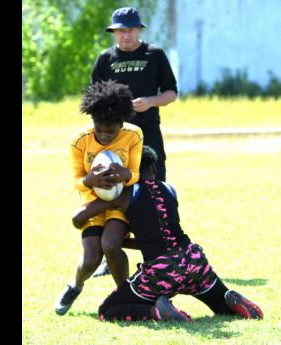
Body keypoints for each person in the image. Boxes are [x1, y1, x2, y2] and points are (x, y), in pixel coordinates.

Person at [72, 146, 264, 322]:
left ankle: (157, 312)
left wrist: (100, 196)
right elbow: (160, 236)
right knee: (220, 306)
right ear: (153, 169)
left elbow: (78, 218)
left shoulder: (126, 193)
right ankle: (227, 299)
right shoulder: (169, 189)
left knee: (108, 310)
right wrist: (126, 243)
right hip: (193, 260)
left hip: (162, 270)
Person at [90, 5, 178, 278]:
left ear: (138, 29)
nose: (124, 36)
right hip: (114, 139)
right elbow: (93, 98)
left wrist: (150, 102)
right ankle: (110, 252)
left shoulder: (155, 54)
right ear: (114, 32)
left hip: (148, 134)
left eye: (129, 30)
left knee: (151, 189)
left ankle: (160, 253)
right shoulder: (105, 58)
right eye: (119, 31)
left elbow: (172, 93)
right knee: (113, 193)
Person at [54, 80, 143, 316]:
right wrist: (88, 181)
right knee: (92, 258)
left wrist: (126, 175)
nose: (103, 136)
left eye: (110, 132)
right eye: (98, 129)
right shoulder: (79, 140)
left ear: (122, 124)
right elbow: (75, 179)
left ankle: (126, 296)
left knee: (111, 245)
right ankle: (75, 285)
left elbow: (136, 174)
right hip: (92, 204)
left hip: (118, 203)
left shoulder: (134, 135)